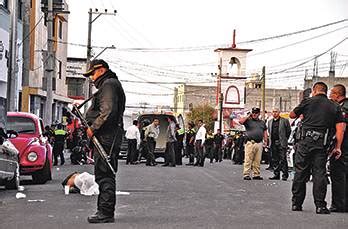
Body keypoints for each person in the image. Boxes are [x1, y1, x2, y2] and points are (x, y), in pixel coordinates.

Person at [290, 82, 344, 214]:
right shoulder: (334, 106)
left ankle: (296, 204)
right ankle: (320, 206)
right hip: (321, 144)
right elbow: (340, 128)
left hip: (304, 143)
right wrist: (338, 147)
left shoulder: (307, 101)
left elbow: (292, 115)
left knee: (300, 172)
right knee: (319, 174)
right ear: (326, 91)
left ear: (314, 91)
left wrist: (303, 114)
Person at [83, 59, 125, 223]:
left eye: (92, 73)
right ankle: (105, 211)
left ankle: (105, 213)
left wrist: (93, 128)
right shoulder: (110, 84)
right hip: (108, 135)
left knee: (104, 174)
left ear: (101, 70)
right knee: (104, 173)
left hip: (107, 136)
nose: (92, 78)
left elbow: (107, 111)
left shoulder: (108, 85)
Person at [329, 84, 348, 212]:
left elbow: (342, 128)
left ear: (337, 94)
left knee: (338, 176)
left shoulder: (342, 108)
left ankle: (339, 204)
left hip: (343, 148)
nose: (330, 96)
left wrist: (337, 147)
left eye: (331, 94)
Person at [239, 107, 268, 180]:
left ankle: (256, 174)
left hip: (259, 143)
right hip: (250, 142)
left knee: (257, 160)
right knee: (248, 159)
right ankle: (246, 174)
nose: (254, 114)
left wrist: (266, 141)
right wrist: (248, 116)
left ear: (258, 114)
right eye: (253, 113)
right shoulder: (248, 121)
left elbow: (265, 131)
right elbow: (241, 122)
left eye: (256, 113)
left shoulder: (262, 122)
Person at [267, 108, 291, 181]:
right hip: (273, 143)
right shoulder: (270, 122)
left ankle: (285, 175)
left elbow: (288, 131)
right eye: (273, 112)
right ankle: (276, 174)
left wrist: (284, 139)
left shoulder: (284, 121)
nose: (274, 113)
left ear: (279, 112)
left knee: (283, 159)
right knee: (275, 159)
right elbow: (269, 131)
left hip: (281, 142)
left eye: (276, 112)